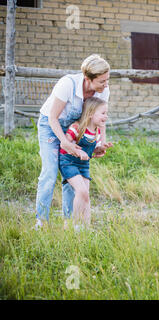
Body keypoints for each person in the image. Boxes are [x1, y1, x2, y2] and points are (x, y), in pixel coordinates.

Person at [35, 54, 111, 229]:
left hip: (74, 129)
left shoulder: (103, 90)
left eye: (107, 80)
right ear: (88, 79)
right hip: (51, 126)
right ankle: (41, 221)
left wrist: (100, 143)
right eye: (102, 81)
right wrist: (65, 142)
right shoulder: (67, 85)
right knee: (51, 170)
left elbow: (101, 119)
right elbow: (53, 118)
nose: (106, 85)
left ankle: (68, 223)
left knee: (73, 171)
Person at [59, 97, 112, 230]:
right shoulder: (77, 127)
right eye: (103, 113)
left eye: (106, 113)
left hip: (84, 165)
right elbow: (65, 144)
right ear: (90, 114)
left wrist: (101, 148)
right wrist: (78, 152)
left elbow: (93, 150)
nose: (106, 116)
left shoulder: (96, 132)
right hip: (69, 162)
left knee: (86, 195)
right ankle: (75, 224)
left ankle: (86, 227)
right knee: (81, 191)